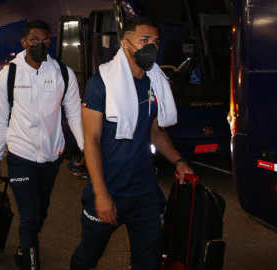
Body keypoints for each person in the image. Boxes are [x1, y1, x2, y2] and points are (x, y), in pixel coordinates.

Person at [70, 17, 195, 270]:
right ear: (125, 43)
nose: (152, 47)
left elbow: (156, 132)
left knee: (148, 262)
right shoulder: (101, 83)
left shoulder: (155, 83)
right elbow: (91, 140)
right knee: (87, 258)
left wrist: (179, 161)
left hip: (145, 192)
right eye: (145, 41)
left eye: (156, 42)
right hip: (109, 188)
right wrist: (101, 193)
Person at [0, 20, 85, 270]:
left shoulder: (63, 73)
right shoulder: (8, 74)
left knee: (40, 213)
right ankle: (30, 264)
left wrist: (87, 150)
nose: (40, 45)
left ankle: (24, 249)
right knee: (29, 216)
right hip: (20, 156)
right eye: (34, 40)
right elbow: (1, 119)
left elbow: (74, 115)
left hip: (51, 158)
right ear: (24, 42)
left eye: (45, 40)